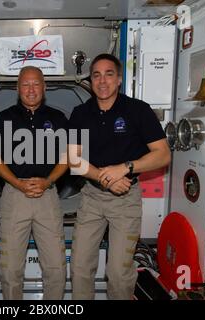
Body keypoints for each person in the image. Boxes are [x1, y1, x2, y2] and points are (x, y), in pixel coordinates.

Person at [68, 53, 171, 300]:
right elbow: (73, 160)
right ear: (91, 81)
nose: (102, 81)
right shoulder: (80, 113)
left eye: (109, 74)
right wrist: (107, 178)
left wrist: (125, 168)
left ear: (120, 79)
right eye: (96, 75)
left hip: (126, 198)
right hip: (92, 197)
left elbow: (163, 155)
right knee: (80, 267)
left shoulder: (138, 110)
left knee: (118, 273)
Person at [0, 66, 68, 299]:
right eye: (25, 84)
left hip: (48, 195)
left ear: (44, 88)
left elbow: (68, 158)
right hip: (15, 195)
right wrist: (17, 183)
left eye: (36, 84)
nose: (31, 89)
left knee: (56, 266)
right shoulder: (3, 118)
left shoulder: (58, 118)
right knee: (10, 267)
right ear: (17, 88)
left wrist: (48, 181)